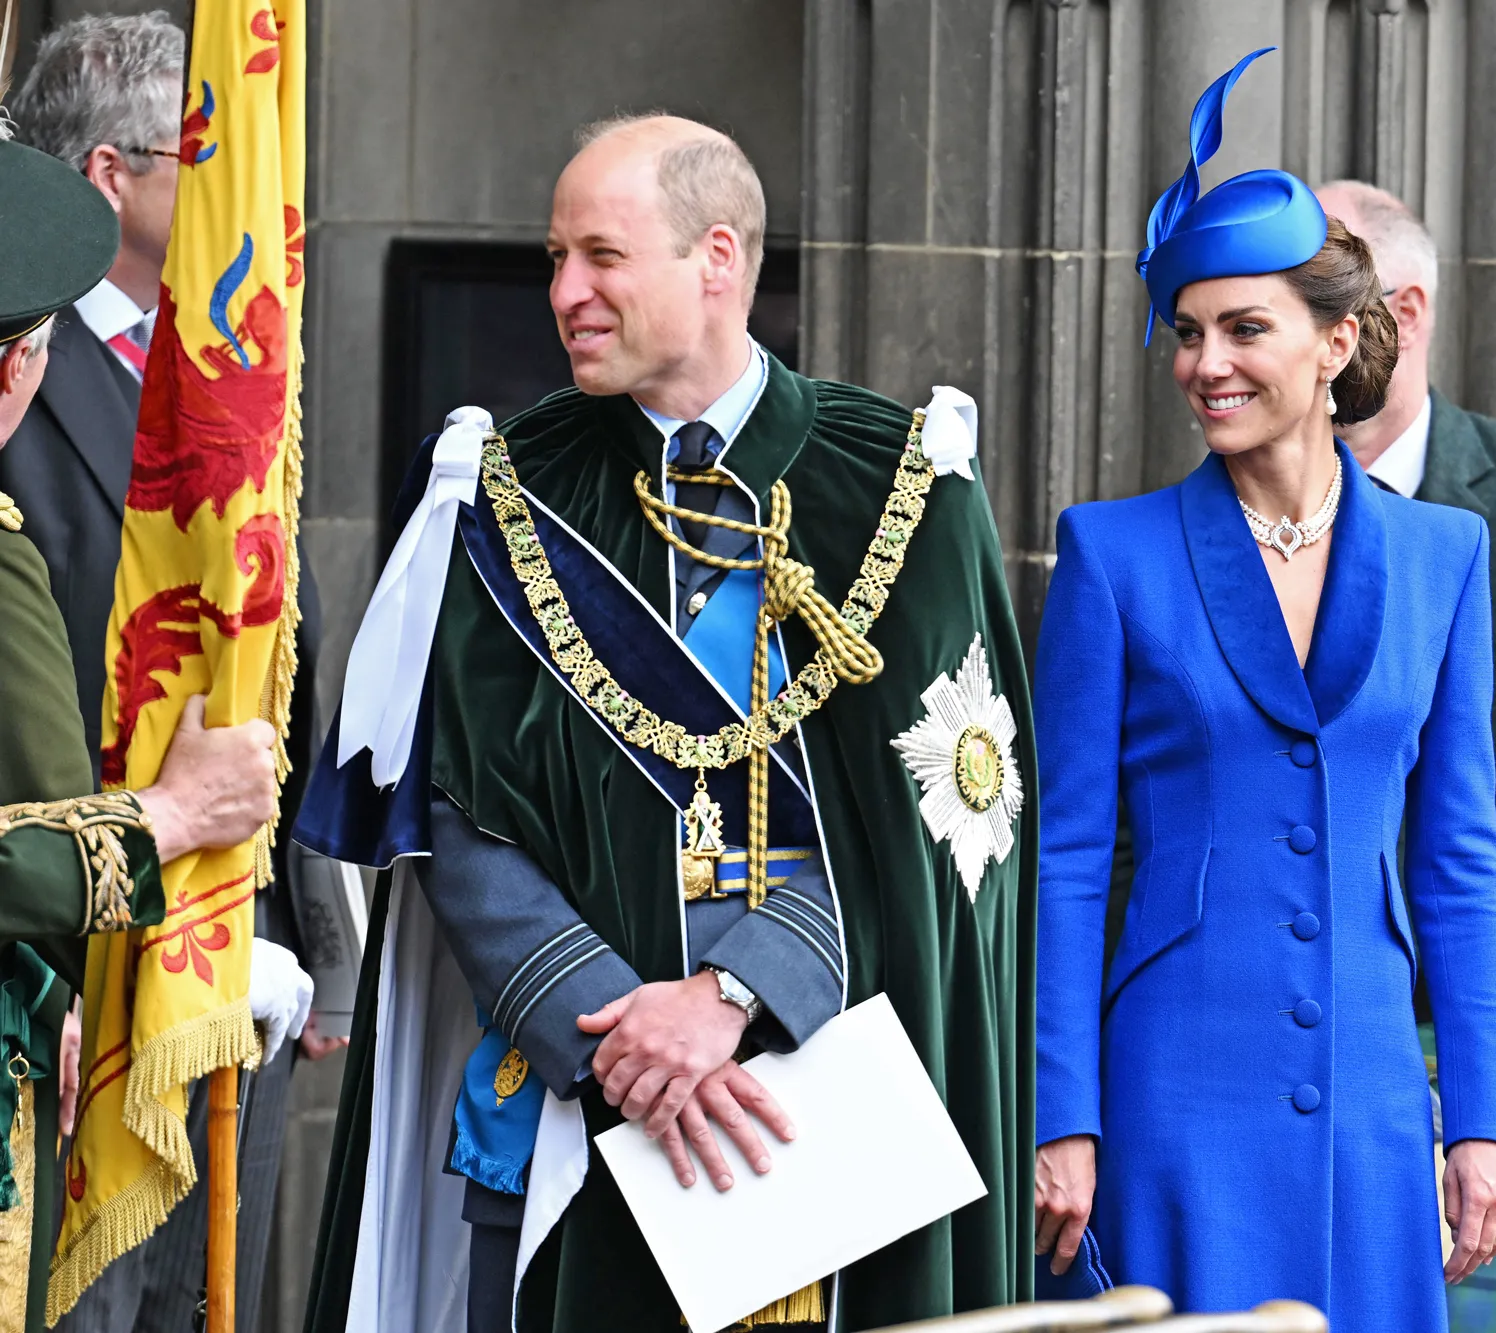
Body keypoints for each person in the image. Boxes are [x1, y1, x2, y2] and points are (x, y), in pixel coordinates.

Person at [296, 113, 1034, 1333]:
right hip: (568, 1090)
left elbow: (944, 831)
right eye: (554, 259)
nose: (564, 294)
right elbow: (456, 809)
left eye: (602, 256)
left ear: (717, 258)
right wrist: (613, 1035)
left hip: (816, 1101)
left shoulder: (901, 482)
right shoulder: (503, 487)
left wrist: (733, 994)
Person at [1031, 50, 1496, 1329]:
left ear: (1335, 343)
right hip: (1172, 1091)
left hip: (1372, 1096)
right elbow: (1067, 857)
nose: (1207, 363)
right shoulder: (1110, 554)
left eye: (1245, 328)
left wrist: (1484, 1117)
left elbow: (1458, 856)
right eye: (1188, 332)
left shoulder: (1444, 556)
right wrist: (1059, 1112)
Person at [4, 18, 339, 1330]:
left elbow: (276, 646)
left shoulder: (224, 359)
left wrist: (310, 930)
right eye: (195, 158)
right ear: (109, 175)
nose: (232, 195)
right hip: (74, 943)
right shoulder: (20, 344)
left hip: (235, 942)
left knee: (209, 1304)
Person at [1315, 179, 1496, 1331]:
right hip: (1293, 986)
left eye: (1325, 301)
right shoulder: (1216, 511)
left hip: (1488, 985)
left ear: (1404, 310)